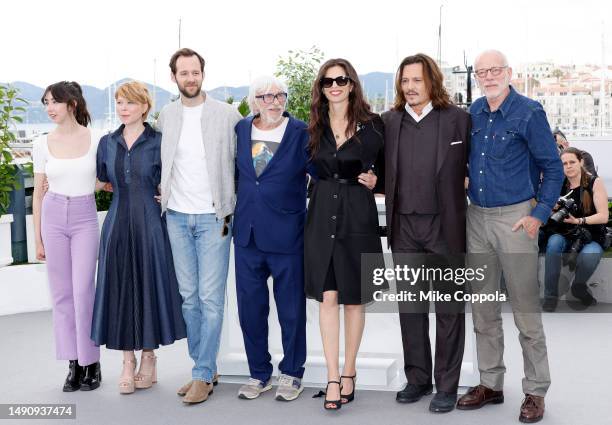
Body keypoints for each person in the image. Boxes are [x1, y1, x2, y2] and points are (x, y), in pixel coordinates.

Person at [456, 50, 563, 423]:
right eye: (482, 71)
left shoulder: (528, 112)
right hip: (477, 219)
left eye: (494, 70)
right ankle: (491, 383)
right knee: (483, 310)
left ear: (508, 72)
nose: (488, 76)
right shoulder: (472, 113)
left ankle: (536, 390)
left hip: (516, 221)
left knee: (525, 312)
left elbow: (553, 167)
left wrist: (537, 215)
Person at [382, 53, 470, 413]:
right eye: (405, 81)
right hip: (404, 226)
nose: (410, 87)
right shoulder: (388, 122)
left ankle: (447, 385)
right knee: (411, 308)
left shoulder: (459, 121)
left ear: (432, 81)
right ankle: (418, 378)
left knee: (449, 309)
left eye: (417, 80)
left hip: (445, 227)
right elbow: (374, 167)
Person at [157, 48, 242, 404]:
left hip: (214, 218)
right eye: (183, 73)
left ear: (203, 74)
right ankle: (203, 367)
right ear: (173, 77)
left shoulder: (226, 114)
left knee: (209, 298)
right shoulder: (166, 114)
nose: (190, 78)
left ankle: (202, 374)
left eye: (195, 72)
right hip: (176, 216)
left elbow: (246, 161)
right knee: (189, 299)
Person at [91, 81, 186, 394]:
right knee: (119, 288)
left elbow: (173, 177)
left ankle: (149, 357)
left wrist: (161, 194)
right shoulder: (106, 142)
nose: (123, 108)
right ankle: (127, 361)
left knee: (147, 285)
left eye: (129, 103)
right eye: (119, 102)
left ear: (145, 107)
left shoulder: (159, 141)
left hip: (149, 224)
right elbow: (102, 181)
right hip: (117, 224)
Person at [304, 58, 382, 411]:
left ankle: (350, 371)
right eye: (327, 81)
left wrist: (378, 179)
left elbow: (391, 167)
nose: (334, 86)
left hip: (357, 214)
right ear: (320, 88)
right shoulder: (312, 127)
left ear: (352, 84)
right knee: (328, 297)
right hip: (321, 214)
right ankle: (333, 377)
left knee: (354, 297)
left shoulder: (374, 126)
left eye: (341, 79)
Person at [233, 76, 315, 401]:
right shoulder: (241, 129)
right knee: (250, 310)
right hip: (247, 236)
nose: (273, 101)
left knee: (291, 310)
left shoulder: (301, 132)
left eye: (279, 95)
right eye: (265, 96)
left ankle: (292, 373)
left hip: (287, 235)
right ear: (254, 101)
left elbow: (320, 172)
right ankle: (259, 373)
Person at [33, 81, 103, 392]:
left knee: (83, 291)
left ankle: (91, 362)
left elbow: (105, 179)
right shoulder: (41, 143)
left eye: (55, 102)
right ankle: (73, 364)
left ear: (71, 104)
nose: (49, 108)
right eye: (46, 102)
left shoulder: (97, 138)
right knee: (61, 294)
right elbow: (37, 194)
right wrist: (37, 239)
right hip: (52, 215)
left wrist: (88, 189)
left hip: (85, 216)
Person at [542, 147, 609, 312]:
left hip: (590, 235)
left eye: (572, 162)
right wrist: (553, 208)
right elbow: (547, 213)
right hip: (564, 233)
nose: (568, 166)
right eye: (564, 163)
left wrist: (579, 220)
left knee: (590, 255)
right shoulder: (559, 183)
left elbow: (603, 216)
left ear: (581, 162)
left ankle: (578, 287)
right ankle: (550, 296)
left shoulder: (594, 182)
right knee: (553, 244)